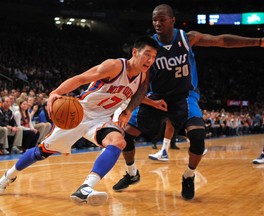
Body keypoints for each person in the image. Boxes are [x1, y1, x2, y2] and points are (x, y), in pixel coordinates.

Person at [112, 4, 264, 200]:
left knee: (197, 137)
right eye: (154, 20)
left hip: (184, 97)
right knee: (125, 136)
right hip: (158, 98)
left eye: (162, 19)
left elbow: (222, 41)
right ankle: (132, 173)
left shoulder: (188, 38)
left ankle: (188, 175)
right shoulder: (150, 48)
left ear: (172, 20)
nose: (157, 23)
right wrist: (129, 109)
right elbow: (143, 85)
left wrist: (259, 41)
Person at [0, 36, 159, 206]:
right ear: (134, 52)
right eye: (147, 55)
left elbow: (141, 91)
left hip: (102, 119)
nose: (150, 60)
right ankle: (8, 176)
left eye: (154, 57)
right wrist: (55, 92)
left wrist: (128, 111)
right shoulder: (114, 66)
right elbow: (81, 79)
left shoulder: (143, 74)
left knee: (118, 141)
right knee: (42, 152)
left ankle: (86, 187)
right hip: (79, 113)